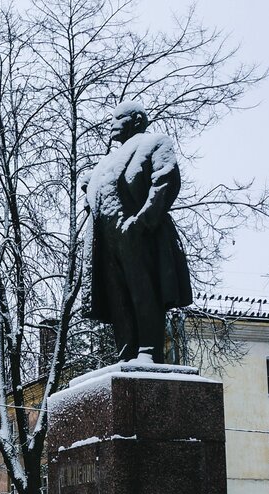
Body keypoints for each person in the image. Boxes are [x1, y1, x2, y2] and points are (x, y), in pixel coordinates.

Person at [84, 100, 191, 363]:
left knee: (144, 291)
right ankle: (127, 351)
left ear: (137, 120)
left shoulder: (155, 143)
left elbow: (165, 181)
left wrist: (141, 222)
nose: (113, 124)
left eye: (120, 118)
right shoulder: (106, 162)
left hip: (139, 235)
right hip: (107, 241)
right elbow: (94, 199)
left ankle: (148, 352)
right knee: (118, 297)